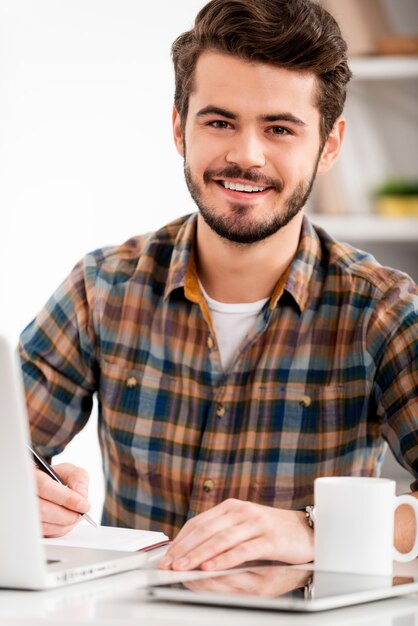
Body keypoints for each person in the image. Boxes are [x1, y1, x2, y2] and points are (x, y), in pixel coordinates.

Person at [19, 0, 418, 573]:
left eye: (279, 128)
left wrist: (311, 530)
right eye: (219, 121)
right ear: (179, 126)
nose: (245, 156)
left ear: (329, 145)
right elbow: (13, 457)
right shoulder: (102, 287)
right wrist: (27, 498)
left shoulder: (381, 310)